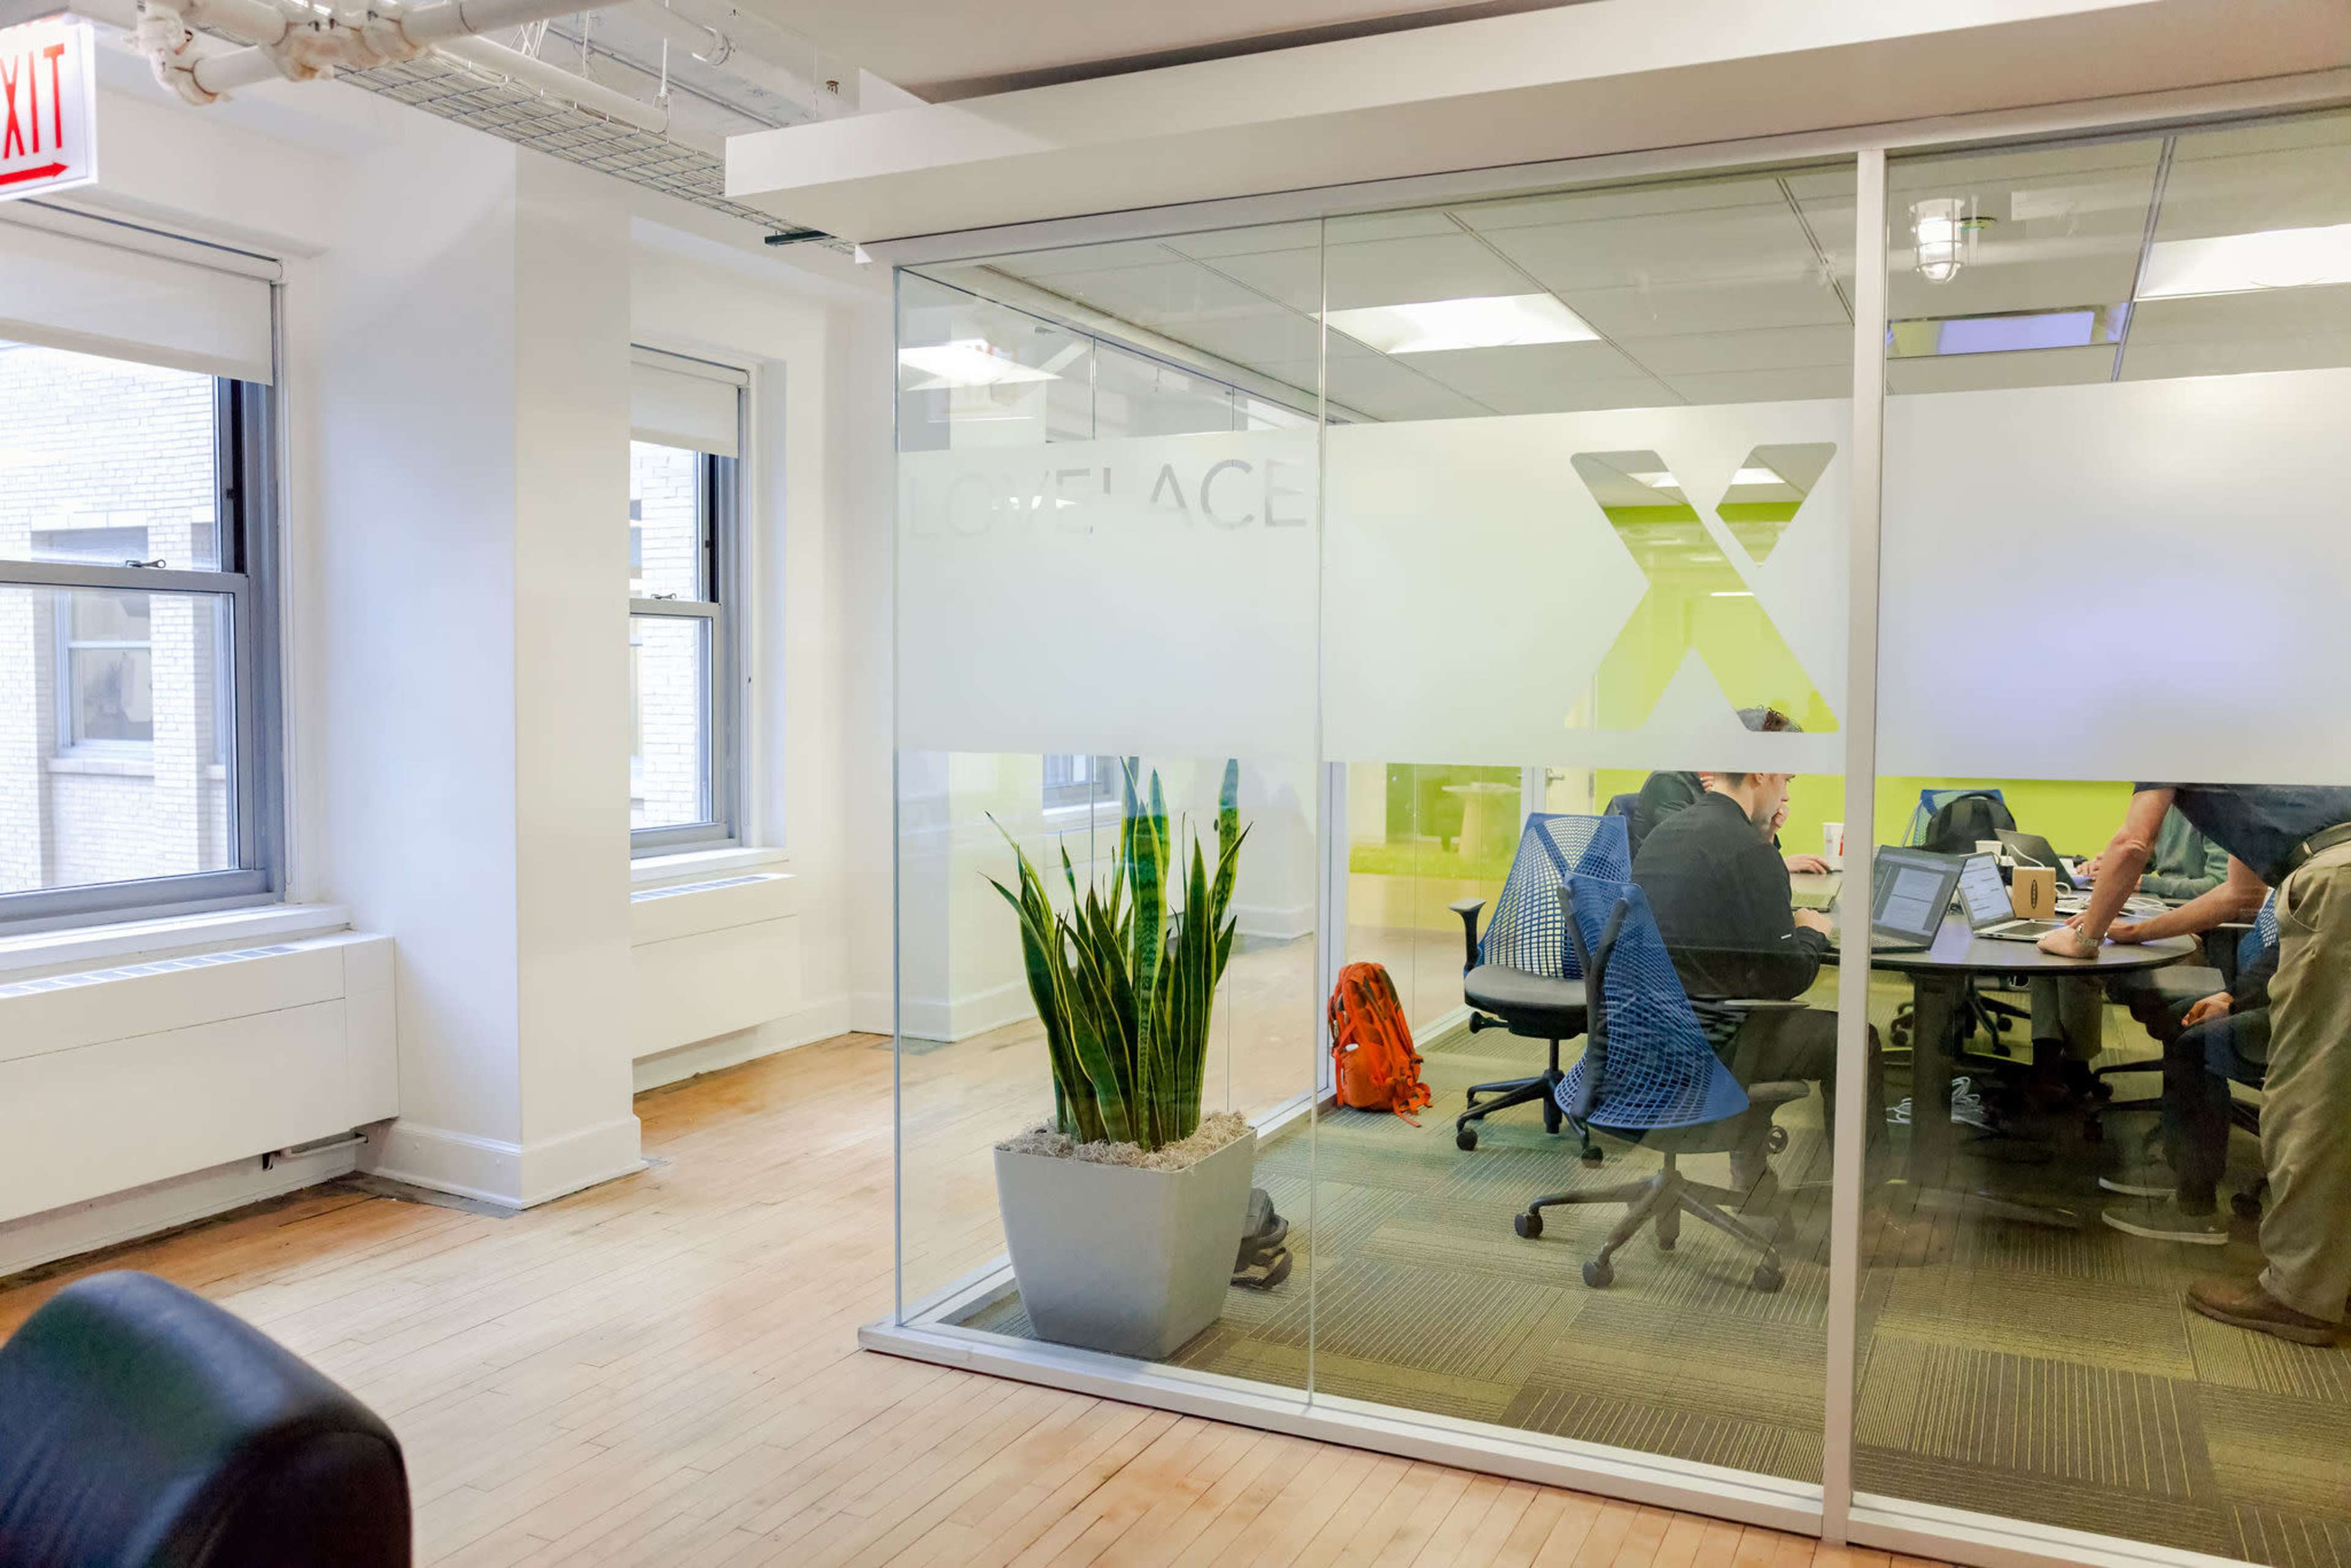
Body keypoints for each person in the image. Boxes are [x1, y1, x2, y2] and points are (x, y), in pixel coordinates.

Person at [2041, 783, 2351, 1346]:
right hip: (2335, 870)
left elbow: (2133, 844)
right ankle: (2333, 1276)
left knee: (2312, 1096)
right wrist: (2133, 931)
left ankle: (2301, 1295)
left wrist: (2086, 937)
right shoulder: (2257, 728)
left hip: (2338, 882)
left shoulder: (2169, 723)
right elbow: (2241, 894)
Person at [1632, 765, 1919, 1255]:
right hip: (1716, 1042)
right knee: (1856, 1039)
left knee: (1759, 1008)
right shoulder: (1748, 851)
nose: (1788, 792)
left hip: (1650, 1036)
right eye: (1787, 779)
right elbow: (1786, 978)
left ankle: (1751, 1175)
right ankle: (1870, 1216)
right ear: (1761, 773)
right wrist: (1812, 930)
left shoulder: (1665, 834)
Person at [2101, 898, 2279, 1245]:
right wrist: (2229, 996)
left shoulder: (2330, 878)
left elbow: (2293, 966)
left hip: (2296, 1013)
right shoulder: (2305, 870)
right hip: (2263, 991)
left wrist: (2236, 1001)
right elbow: (2278, 954)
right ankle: (2180, 1166)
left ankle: (2196, 1207)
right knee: (2177, 1022)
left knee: (2194, 1042)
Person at [1625, 707, 1831, 874]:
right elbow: (1700, 862)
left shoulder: (1732, 799)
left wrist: (1768, 832)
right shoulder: (1669, 783)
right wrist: (1779, 866)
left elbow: (1744, 860)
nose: (1785, 796)